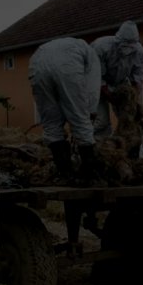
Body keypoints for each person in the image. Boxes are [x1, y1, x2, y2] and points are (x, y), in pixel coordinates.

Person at [29, 37, 101, 183]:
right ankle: (89, 172)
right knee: (80, 119)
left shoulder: (62, 45)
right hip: (67, 66)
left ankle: (64, 173)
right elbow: (93, 85)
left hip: (37, 63)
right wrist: (91, 110)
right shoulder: (91, 53)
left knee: (51, 123)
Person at [91, 20, 143, 158]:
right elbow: (95, 75)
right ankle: (98, 153)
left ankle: (132, 156)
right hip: (95, 84)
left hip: (120, 84)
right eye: (125, 45)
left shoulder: (139, 52)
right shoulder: (101, 47)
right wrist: (108, 94)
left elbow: (138, 76)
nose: (127, 48)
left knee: (130, 121)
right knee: (102, 121)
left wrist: (133, 96)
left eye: (130, 45)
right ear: (118, 40)